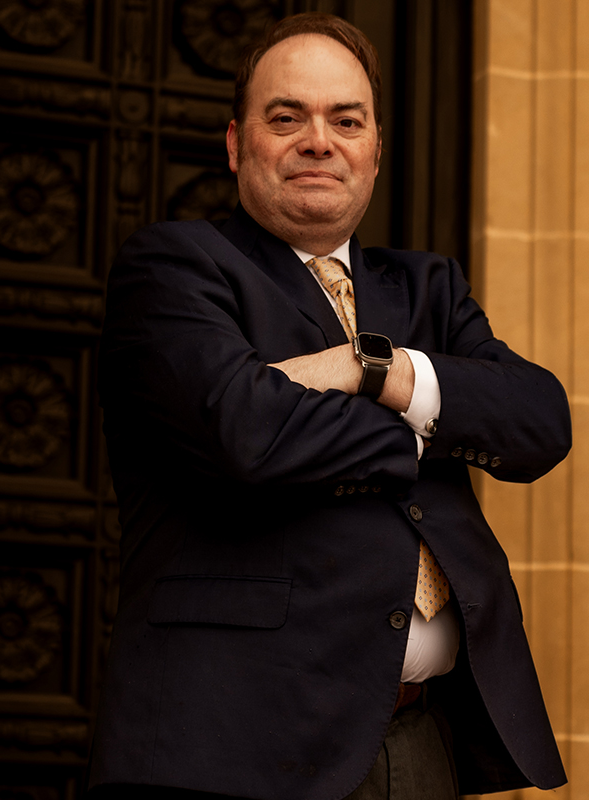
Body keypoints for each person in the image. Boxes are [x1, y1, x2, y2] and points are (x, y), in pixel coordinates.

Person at [88, 12, 571, 800]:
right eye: (288, 118)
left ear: (376, 149)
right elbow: (246, 432)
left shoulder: (429, 288)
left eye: (346, 120)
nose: (320, 141)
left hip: (422, 743)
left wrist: (375, 369)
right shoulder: (172, 269)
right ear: (237, 144)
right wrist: (431, 421)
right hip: (237, 749)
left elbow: (540, 422)